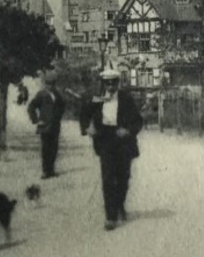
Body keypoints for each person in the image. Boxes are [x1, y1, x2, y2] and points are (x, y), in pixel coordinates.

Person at [80, 68, 145, 230]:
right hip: (105, 140)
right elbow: (83, 114)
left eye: (113, 83)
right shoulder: (97, 100)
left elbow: (138, 121)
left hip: (122, 141)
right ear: (103, 84)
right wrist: (88, 128)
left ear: (117, 83)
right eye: (107, 83)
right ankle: (110, 216)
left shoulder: (126, 99)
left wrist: (128, 130)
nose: (110, 86)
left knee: (123, 177)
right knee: (108, 177)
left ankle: (119, 204)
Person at [26, 73, 67, 179]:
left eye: (53, 84)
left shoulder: (58, 95)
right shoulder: (41, 95)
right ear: (45, 84)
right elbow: (31, 107)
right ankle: (45, 171)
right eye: (48, 84)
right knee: (45, 149)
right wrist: (36, 120)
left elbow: (62, 106)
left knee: (54, 148)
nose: (51, 86)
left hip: (55, 126)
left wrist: (58, 117)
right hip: (44, 126)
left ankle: (51, 170)